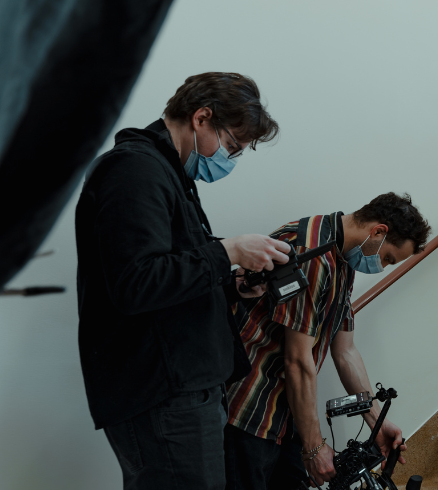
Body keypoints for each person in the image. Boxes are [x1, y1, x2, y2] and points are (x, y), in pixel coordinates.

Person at [75, 72, 288, 490]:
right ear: (202, 117)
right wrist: (227, 251)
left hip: (184, 388)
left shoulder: (170, 174)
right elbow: (136, 283)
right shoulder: (135, 170)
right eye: (231, 147)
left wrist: (234, 284)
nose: (229, 160)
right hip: (163, 392)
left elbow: (174, 275)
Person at [223, 193, 431, 489]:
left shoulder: (342, 258)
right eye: (387, 258)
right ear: (378, 232)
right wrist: (314, 447)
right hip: (250, 408)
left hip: (285, 413)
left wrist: (376, 420)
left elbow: (345, 350)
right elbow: (297, 360)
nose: (383, 267)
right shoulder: (312, 253)